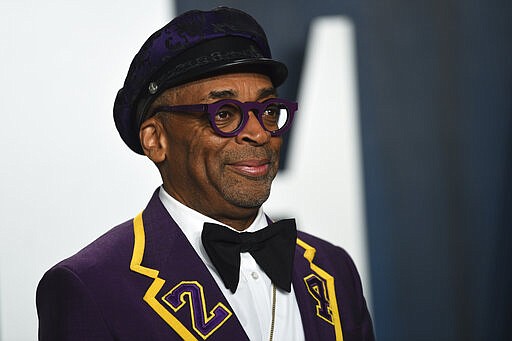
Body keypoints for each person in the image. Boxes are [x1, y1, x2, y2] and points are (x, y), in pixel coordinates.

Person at [36, 7, 374, 341]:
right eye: (224, 113)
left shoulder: (333, 269)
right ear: (156, 140)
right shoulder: (91, 287)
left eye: (268, 111)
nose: (258, 134)